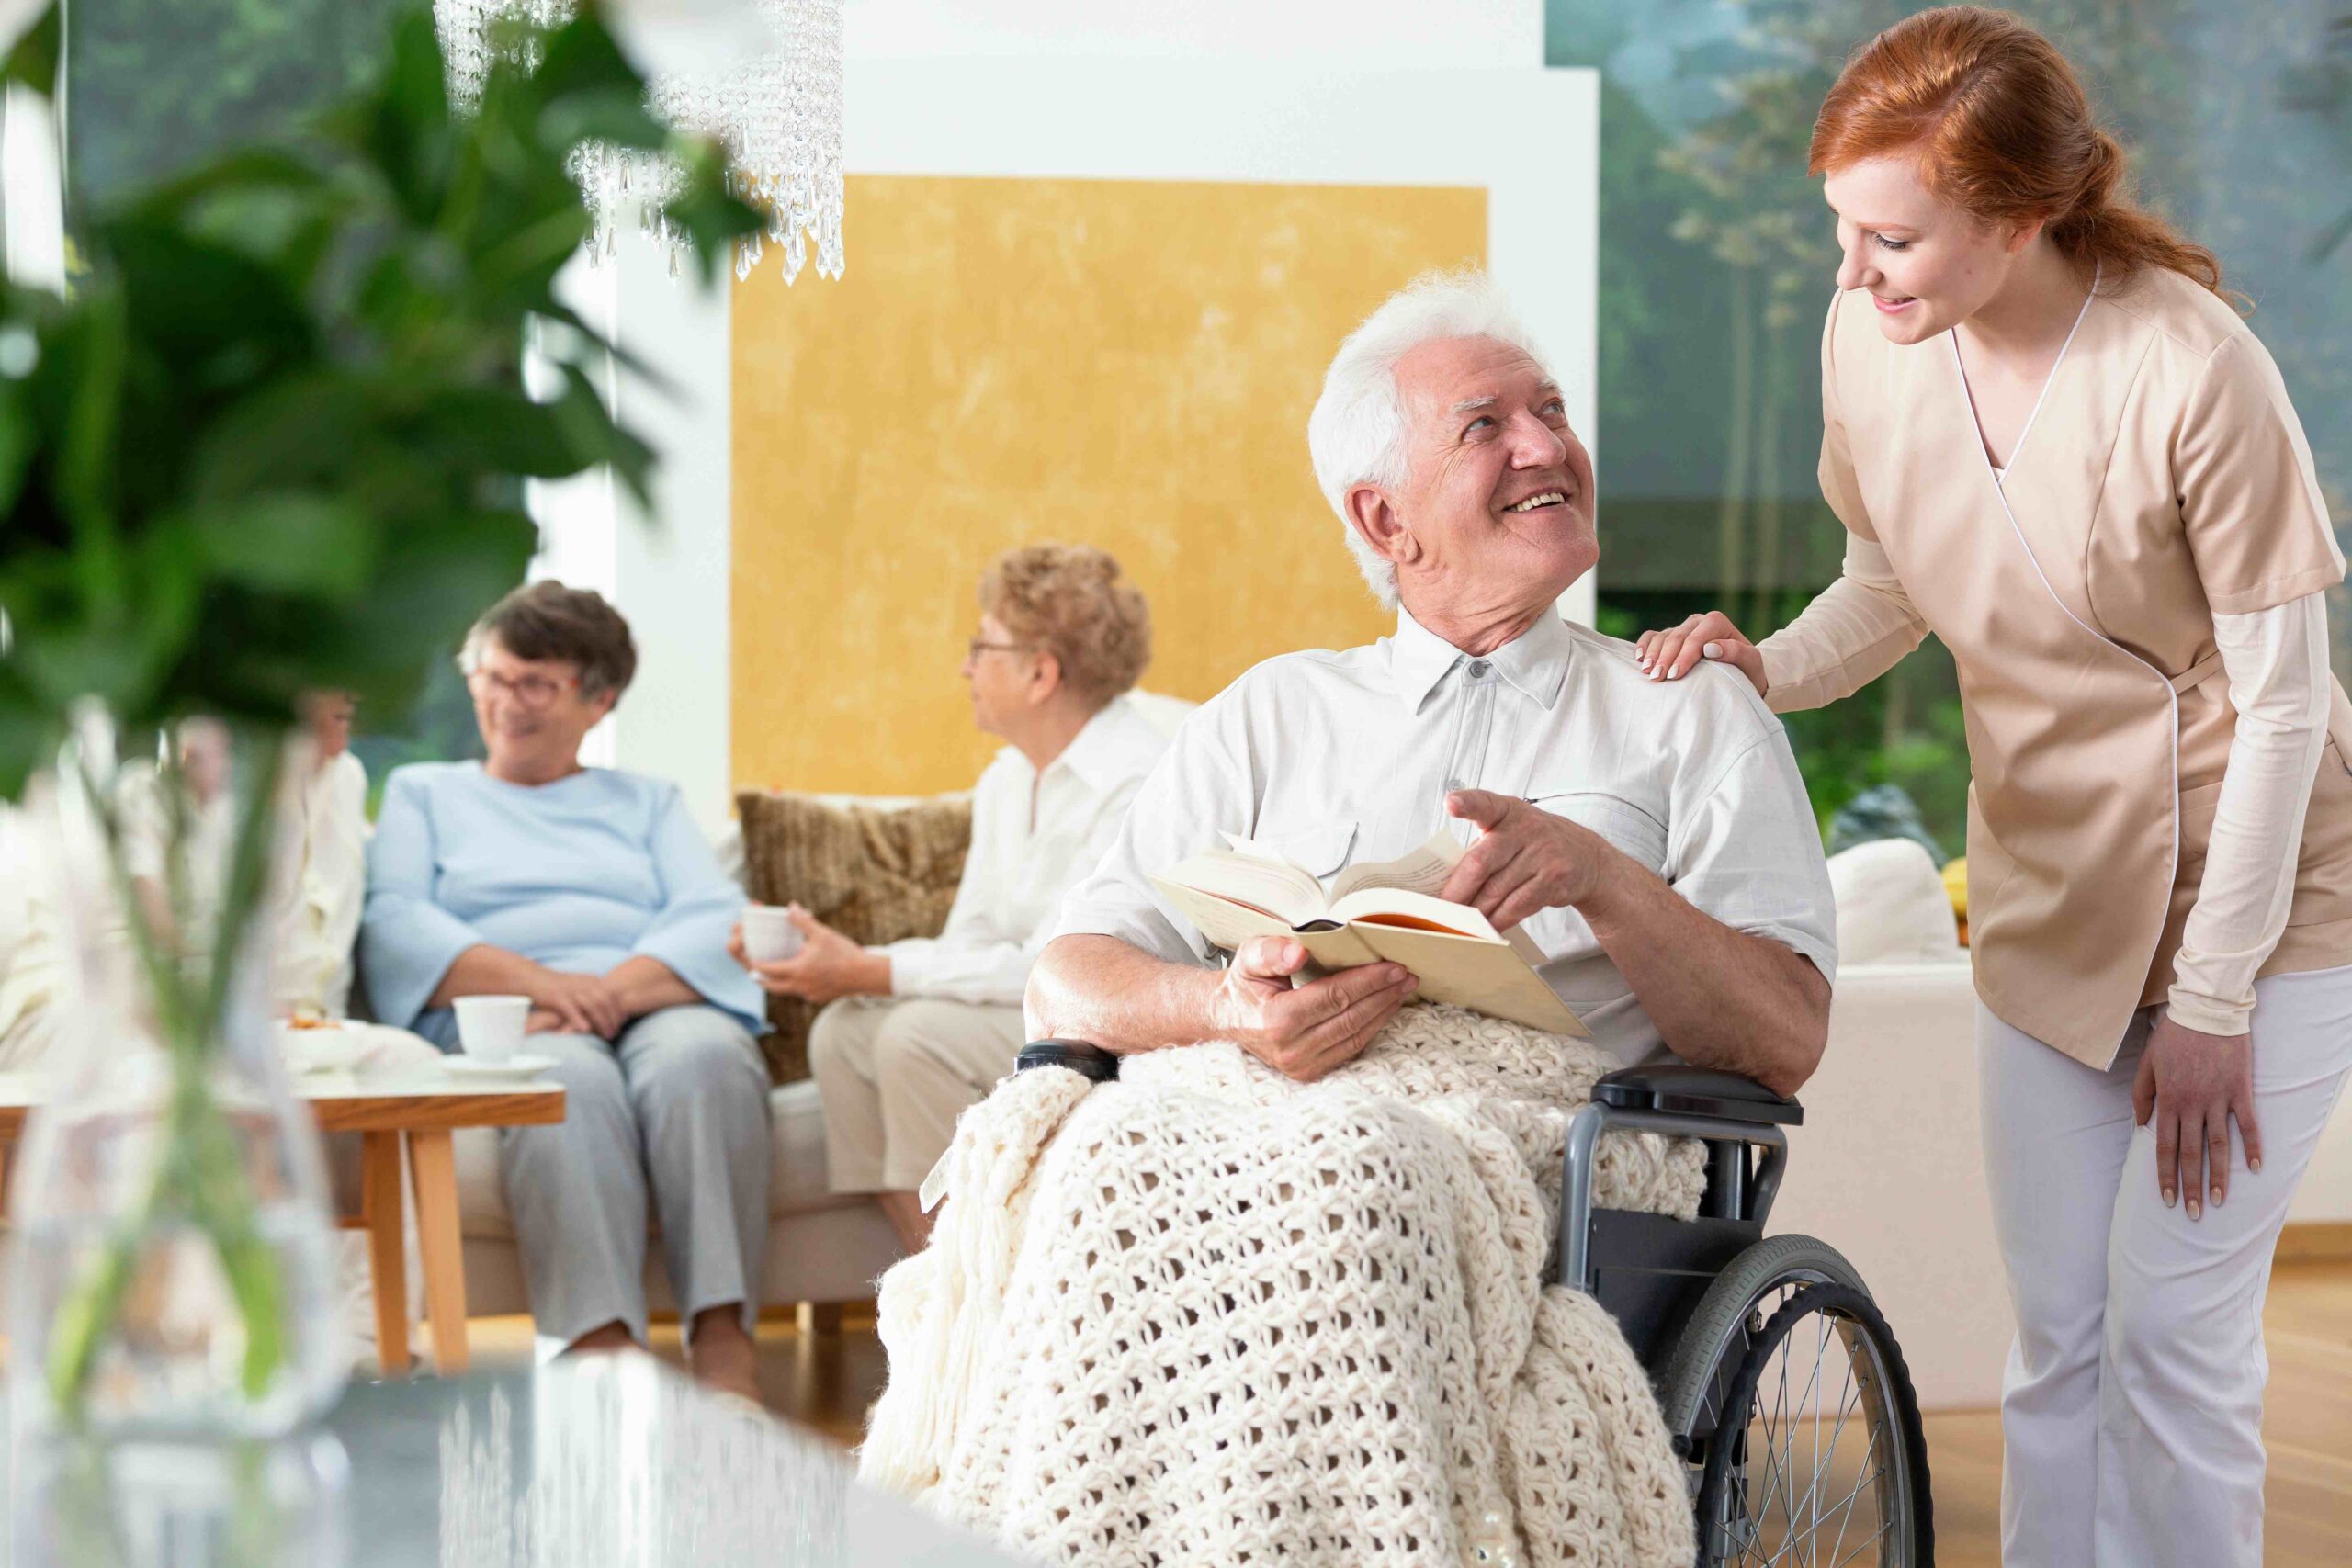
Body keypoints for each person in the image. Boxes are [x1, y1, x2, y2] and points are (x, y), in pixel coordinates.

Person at [1632, 11, 2352, 1564]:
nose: (1851, 273)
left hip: (2266, 892)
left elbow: (2288, 704)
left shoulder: (2189, 365)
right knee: (2060, 1341)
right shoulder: (1871, 346)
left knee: (2174, 1335)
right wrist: (1760, 665)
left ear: (2022, 219)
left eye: (1891, 237)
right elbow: (1885, 586)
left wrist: (2216, 1003)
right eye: (1844, 230)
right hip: (2049, 886)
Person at [1030, 268, 1838, 1105]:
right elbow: (1066, 980)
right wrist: (1228, 1009)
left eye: (1552, 411)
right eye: (1486, 426)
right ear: (1385, 520)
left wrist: (1602, 877)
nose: (1547, 447)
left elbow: (1787, 1039)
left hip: (1554, 1170)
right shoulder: (1270, 713)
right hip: (1278, 1149)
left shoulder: (1691, 704)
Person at [362, 581, 772, 1403]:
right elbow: (398, 921)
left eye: (536, 684)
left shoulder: (645, 801)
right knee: (562, 1079)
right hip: (510, 1010)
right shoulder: (424, 794)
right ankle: (600, 1349)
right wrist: (544, 985)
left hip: (648, 999)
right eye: (493, 677)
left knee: (705, 1059)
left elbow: (711, 914)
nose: (506, 702)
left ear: (598, 700)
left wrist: (608, 994)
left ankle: (724, 1338)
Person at [732, 544, 1168, 1252]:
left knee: (912, 1036)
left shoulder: (1135, 777)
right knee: (843, 1029)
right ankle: (941, 1284)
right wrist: (851, 967)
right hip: (1026, 1011)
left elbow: (1053, 966)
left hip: (1104, 1025)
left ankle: (992, 1291)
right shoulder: (1006, 778)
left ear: (1040, 672)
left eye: (982, 647)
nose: (966, 666)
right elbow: (973, 938)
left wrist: (874, 968)